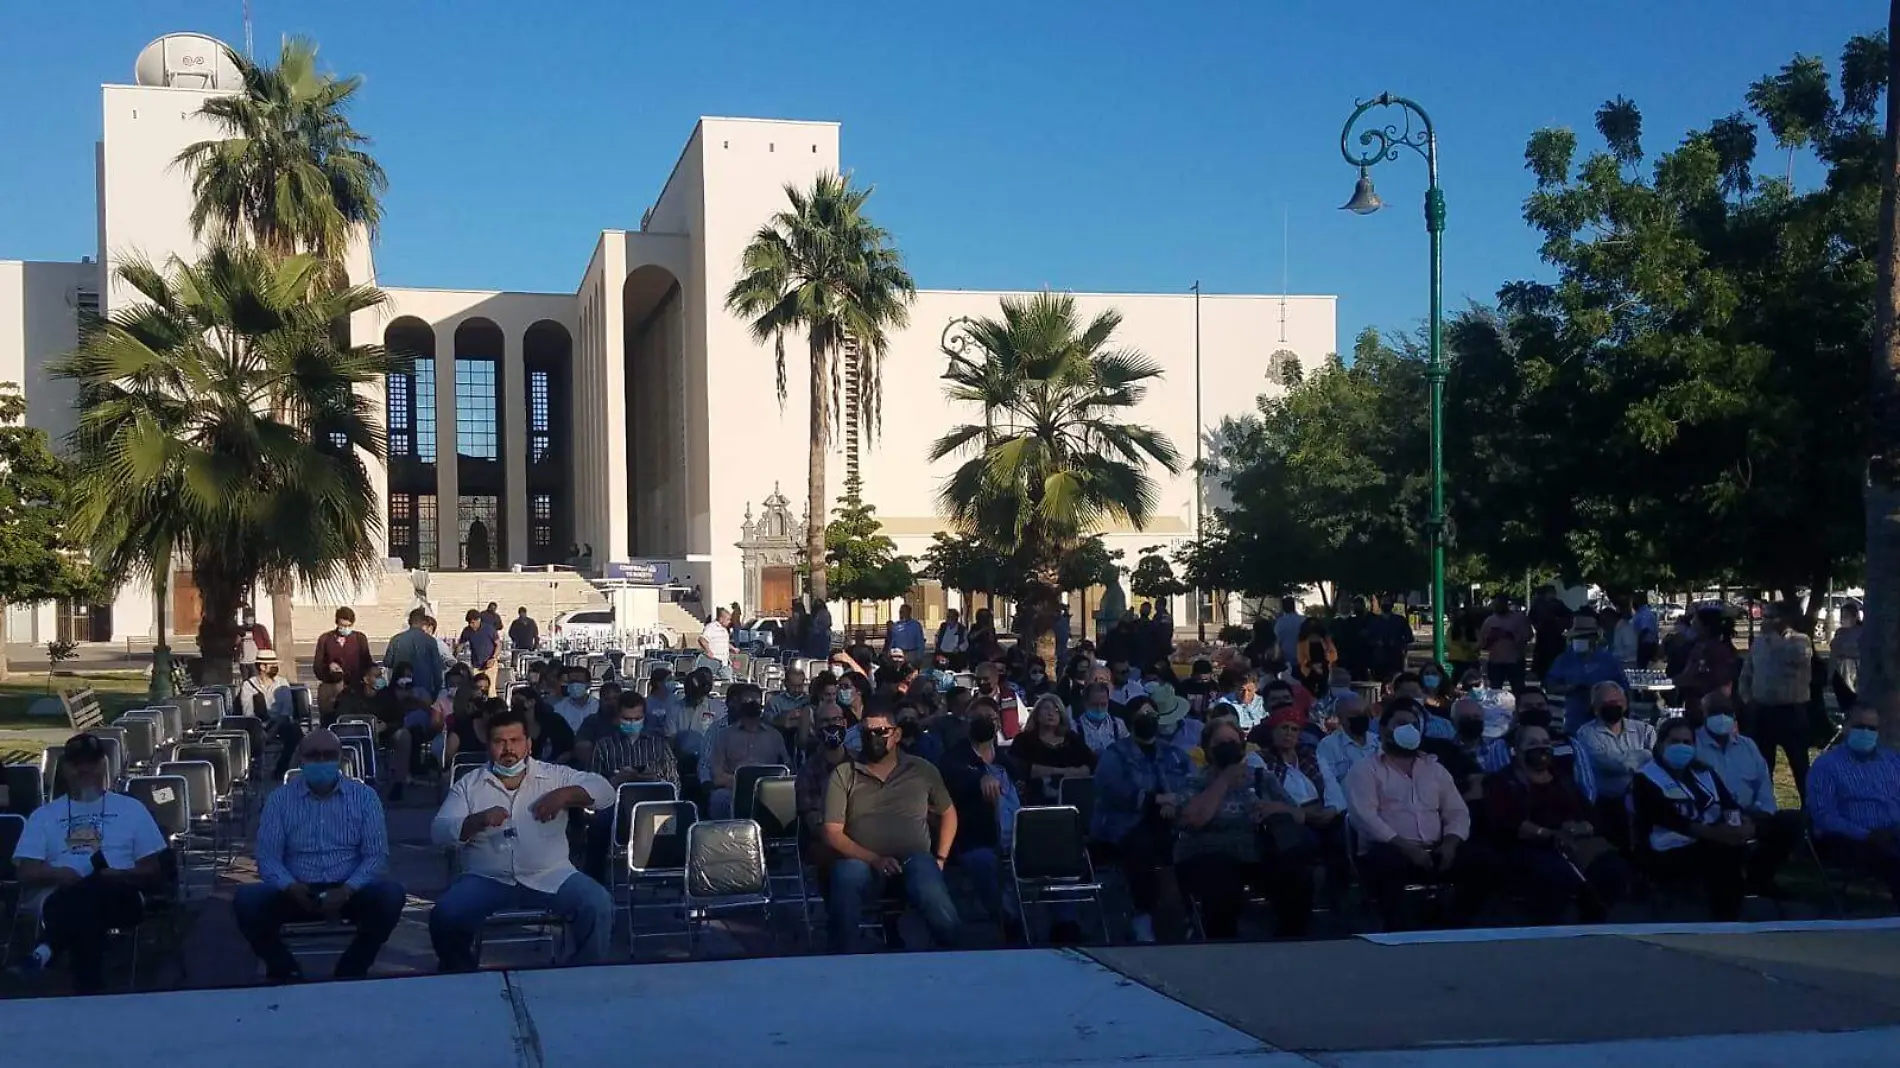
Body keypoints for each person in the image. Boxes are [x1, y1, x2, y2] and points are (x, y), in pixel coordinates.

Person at [430, 708, 616, 971]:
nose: (508, 749)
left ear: (528, 744)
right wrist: (476, 821)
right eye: (499, 742)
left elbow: (606, 792)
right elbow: (439, 832)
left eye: (515, 740)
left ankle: (583, 974)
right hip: (487, 878)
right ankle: (463, 975)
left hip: (550, 875)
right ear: (488, 745)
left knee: (598, 904)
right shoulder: (469, 785)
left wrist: (565, 795)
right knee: (445, 915)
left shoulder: (554, 776)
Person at [235, 730, 405, 981]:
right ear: (301, 759)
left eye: (329, 755)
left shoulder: (364, 798)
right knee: (247, 900)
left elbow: (376, 856)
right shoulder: (280, 800)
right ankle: (284, 968)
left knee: (391, 895)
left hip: (350, 890)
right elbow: (267, 857)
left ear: (340, 758)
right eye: (314, 755)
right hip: (296, 889)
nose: (321, 761)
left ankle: (354, 966)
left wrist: (348, 889)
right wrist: (290, 886)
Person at [9, 733, 166, 994]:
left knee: (87, 893)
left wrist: (117, 874)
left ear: (104, 765)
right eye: (76, 764)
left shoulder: (131, 809)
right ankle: (90, 989)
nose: (84, 770)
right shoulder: (44, 816)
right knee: (84, 906)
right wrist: (60, 874)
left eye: (91, 763)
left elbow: (152, 868)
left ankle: (45, 951)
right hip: (59, 893)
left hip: (119, 894)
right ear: (65, 768)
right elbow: (26, 872)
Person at [1344, 700, 1494, 931]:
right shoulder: (1365, 770)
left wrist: (1451, 843)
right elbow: (1365, 817)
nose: (1410, 729)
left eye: (1414, 724)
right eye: (1402, 723)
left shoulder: (1435, 769)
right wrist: (1406, 847)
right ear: (1384, 729)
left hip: (1435, 848)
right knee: (1387, 865)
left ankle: (1453, 924)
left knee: (1484, 862)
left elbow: (1456, 811)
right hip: (1390, 850)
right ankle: (1399, 930)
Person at [822, 707, 961, 953]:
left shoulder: (922, 769)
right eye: (866, 732)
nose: (873, 738)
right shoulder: (844, 773)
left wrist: (941, 857)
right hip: (862, 859)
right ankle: (840, 958)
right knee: (847, 875)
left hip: (914, 857)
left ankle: (956, 956)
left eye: (881, 731)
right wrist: (874, 859)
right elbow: (832, 832)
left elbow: (948, 813)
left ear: (896, 735)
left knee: (928, 879)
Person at [1175, 719, 1316, 939]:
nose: (1227, 746)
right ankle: (1223, 943)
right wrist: (1224, 781)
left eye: (1232, 741)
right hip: (1209, 852)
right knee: (1221, 881)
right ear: (1207, 748)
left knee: (1296, 877)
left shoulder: (1261, 776)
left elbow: (1298, 815)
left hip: (1259, 850)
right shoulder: (1195, 780)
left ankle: (1291, 940)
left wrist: (1277, 808)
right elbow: (1193, 819)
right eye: (1220, 742)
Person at [1483, 722, 1628, 924]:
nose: (1541, 748)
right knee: (1557, 875)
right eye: (1532, 743)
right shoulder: (1503, 781)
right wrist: (1549, 834)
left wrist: (1584, 826)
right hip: (1530, 845)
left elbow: (1590, 814)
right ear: (1517, 750)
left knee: (1613, 868)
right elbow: (1507, 822)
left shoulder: (1563, 778)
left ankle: (1592, 921)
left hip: (1574, 842)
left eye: (1545, 742)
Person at [939, 701, 1044, 941]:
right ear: (967, 723)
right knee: (983, 862)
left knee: (1057, 854)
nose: (986, 721)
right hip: (978, 838)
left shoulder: (1008, 759)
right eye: (979, 718)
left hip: (1020, 837)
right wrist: (979, 778)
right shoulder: (954, 759)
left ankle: (1065, 924)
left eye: (991, 717)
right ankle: (1008, 920)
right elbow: (954, 777)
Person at [1092, 698, 1195, 942]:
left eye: (1151, 714)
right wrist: (1154, 800)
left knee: (1191, 845)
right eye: (1141, 714)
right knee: (1142, 848)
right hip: (1125, 823)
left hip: (1172, 822)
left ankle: (1186, 914)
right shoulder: (1115, 754)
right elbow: (1111, 789)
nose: (1148, 718)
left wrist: (1175, 800)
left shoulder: (1174, 754)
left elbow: (1193, 783)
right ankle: (1143, 915)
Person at [1630, 718, 1751, 921]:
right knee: (1725, 854)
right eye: (1675, 742)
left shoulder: (1704, 772)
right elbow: (1670, 820)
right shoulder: (1646, 777)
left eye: (1687, 743)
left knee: (1773, 830)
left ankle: (1752, 893)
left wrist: (1744, 825)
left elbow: (1729, 805)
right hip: (1667, 848)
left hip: (1713, 838)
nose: (1681, 747)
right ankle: (1725, 920)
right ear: (1660, 744)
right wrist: (1718, 835)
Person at [1693, 694, 1797, 896]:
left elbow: (1764, 785)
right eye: (1715, 712)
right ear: (1704, 714)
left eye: (1727, 712)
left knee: (1792, 822)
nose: (1722, 717)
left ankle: (1759, 878)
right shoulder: (1693, 746)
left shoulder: (1748, 746)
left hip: (1752, 814)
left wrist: (1757, 815)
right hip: (1713, 818)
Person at [1805, 703, 1900, 906]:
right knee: (1893, 860)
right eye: (1860, 726)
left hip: (1892, 832)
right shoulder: (1826, 766)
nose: (1866, 732)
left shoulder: (1892, 761)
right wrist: (1866, 835)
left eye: (1871, 728)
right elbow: (1823, 815)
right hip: (1848, 839)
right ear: (1847, 727)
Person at [581, 691, 679, 882]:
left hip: (653, 805)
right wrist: (616, 781)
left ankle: (669, 877)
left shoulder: (658, 745)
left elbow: (674, 782)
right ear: (618, 718)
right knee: (598, 824)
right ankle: (594, 880)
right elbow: (591, 785)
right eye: (627, 718)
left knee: (679, 819)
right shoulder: (605, 746)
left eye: (637, 718)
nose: (632, 722)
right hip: (616, 806)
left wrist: (656, 780)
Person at [1739, 602, 1814, 800]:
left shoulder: (1801, 641)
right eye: (1765, 617)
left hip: (1791, 711)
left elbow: (1798, 659)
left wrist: (1774, 638)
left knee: (1799, 763)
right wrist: (1748, 698)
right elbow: (1747, 672)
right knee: (1763, 763)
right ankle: (1766, 804)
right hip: (1763, 710)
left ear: (1786, 619)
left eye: (1772, 617)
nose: (1767, 622)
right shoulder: (1759, 643)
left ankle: (1809, 806)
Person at [1574, 681, 1653, 847]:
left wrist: (1628, 759)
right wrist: (1644, 754)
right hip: (1608, 806)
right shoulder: (1586, 733)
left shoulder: (1644, 729)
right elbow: (1611, 764)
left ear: (1624, 705)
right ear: (1595, 707)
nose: (1613, 706)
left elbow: (1657, 761)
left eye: (1617, 703)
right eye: (1607, 703)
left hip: (1644, 802)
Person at [708, 686, 791, 818]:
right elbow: (717, 775)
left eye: (756, 702)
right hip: (733, 789)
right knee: (719, 798)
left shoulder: (775, 736)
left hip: (768, 790)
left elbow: (787, 770)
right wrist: (742, 784)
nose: (752, 704)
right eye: (748, 701)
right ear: (740, 705)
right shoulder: (724, 735)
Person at [1545, 617, 1631, 735]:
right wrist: (1571, 688)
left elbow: (1624, 689)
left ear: (1594, 638)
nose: (1580, 640)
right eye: (1577, 637)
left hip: (1605, 720)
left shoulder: (1608, 660)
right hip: (1575, 719)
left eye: (1584, 637)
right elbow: (1550, 685)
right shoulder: (1565, 659)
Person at [1011, 695, 1098, 805]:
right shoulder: (1023, 740)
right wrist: (1065, 772)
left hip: (1071, 798)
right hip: (1034, 799)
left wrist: (1081, 771)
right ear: (1036, 714)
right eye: (1046, 708)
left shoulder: (1072, 739)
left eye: (1056, 710)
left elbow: (1091, 763)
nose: (1051, 713)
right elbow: (1020, 767)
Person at [1316, 690, 1380, 786]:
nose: (1362, 717)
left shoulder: (1378, 742)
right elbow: (1329, 783)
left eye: (1364, 713)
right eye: (1356, 714)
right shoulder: (1328, 746)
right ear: (1341, 718)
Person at [385, 608, 445, 699]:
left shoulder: (396, 639)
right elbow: (437, 668)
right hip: (423, 689)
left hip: (401, 688)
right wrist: (437, 689)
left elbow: (387, 662)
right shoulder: (430, 641)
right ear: (423, 623)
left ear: (409, 621)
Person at [1479, 595, 1531, 693]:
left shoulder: (1518, 619)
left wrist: (1510, 635)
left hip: (1515, 660)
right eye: (1496, 605)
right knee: (1495, 690)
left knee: (1519, 689)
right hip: (1496, 661)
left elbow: (1528, 636)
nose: (1498, 607)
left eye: (1501, 604)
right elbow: (1483, 644)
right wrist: (1492, 637)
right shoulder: (1489, 621)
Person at [316, 607, 375, 689]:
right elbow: (318, 666)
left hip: (356, 687)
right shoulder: (325, 639)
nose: (346, 628)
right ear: (337, 622)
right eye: (343, 625)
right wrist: (329, 669)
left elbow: (367, 662)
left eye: (349, 625)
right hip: (332, 687)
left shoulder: (360, 638)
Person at [1075, 681, 1129, 754]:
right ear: (1085, 703)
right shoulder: (1074, 728)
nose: (1099, 709)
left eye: (1103, 704)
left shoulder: (1119, 724)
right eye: (1094, 705)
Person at [458, 608, 502, 691]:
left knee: (490, 690)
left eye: (473, 623)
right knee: (476, 689)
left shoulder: (489, 629)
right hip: (476, 665)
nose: (471, 625)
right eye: (469, 623)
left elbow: (498, 644)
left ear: (479, 620)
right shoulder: (467, 631)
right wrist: (454, 656)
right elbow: (461, 645)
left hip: (490, 664)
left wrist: (494, 658)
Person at [1830, 602, 1862, 711]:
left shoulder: (1861, 632)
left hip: (1853, 670)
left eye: (1845, 616)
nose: (1842, 619)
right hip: (1840, 670)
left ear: (1855, 617)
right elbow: (1833, 653)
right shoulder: (1839, 632)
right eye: (1841, 616)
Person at [551, 664, 598, 734]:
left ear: (589, 684)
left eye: (579, 682)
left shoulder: (598, 707)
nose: (575, 685)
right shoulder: (558, 710)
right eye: (572, 682)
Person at [237, 605, 273, 681]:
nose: (249, 619)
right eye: (247, 617)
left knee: (256, 681)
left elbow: (267, 642)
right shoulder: (240, 629)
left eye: (251, 616)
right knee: (246, 682)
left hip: (256, 661)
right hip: (244, 662)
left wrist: (268, 657)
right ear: (243, 618)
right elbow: (235, 643)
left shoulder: (260, 628)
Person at [699, 607, 735, 680]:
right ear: (721, 619)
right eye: (728, 619)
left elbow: (725, 643)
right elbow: (702, 639)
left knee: (727, 683)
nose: (729, 621)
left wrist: (733, 648)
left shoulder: (724, 630)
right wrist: (708, 651)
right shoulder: (711, 627)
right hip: (714, 662)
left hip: (725, 663)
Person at [1273, 598, 1306, 665]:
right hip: (1304, 657)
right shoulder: (1304, 620)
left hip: (1288, 659)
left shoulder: (1280, 622)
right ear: (1294, 606)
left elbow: (1277, 641)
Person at [1631, 595, 1661, 668]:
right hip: (1644, 645)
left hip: (1646, 646)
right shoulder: (1640, 612)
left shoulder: (1645, 614)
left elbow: (1645, 630)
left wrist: (1637, 642)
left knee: (1643, 668)